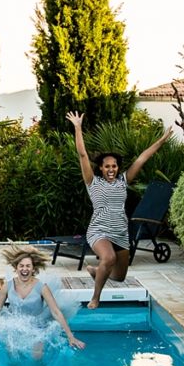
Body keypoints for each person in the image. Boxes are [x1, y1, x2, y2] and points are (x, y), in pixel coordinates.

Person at [67, 111, 173, 309]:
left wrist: (162, 140)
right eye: (107, 166)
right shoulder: (93, 182)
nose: (111, 169)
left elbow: (142, 159)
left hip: (121, 234)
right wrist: (78, 127)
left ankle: (96, 271)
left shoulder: (123, 181)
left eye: (114, 166)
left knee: (119, 277)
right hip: (99, 231)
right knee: (109, 257)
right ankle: (96, 297)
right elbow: (82, 154)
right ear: (100, 168)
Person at [0, 244, 85, 358]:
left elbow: (56, 312)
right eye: (21, 266)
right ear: (16, 268)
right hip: (16, 325)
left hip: (37, 327)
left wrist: (70, 336)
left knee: (37, 357)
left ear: (33, 268)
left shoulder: (42, 287)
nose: (24, 269)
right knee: (12, 356)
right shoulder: (7, 286)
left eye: (28, 266)